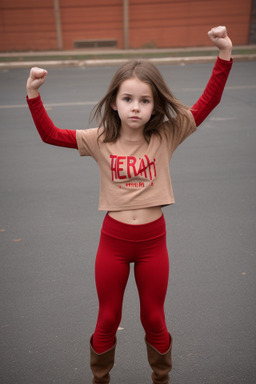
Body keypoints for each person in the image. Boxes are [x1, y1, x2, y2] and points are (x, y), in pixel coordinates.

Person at [26, 26, 233, 384]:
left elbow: (208, 102)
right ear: (114, 102)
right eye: (127, 99)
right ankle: (100, 378)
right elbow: (50, 134)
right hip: (114, 241)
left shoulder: (168, 134)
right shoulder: (99, 139)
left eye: (145, 100)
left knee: (153, 318)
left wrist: (225, 53)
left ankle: (161, 377)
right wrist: (32, 94)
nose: (135, 107)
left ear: (154, 106)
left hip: (154, 241)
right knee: (108, 317)